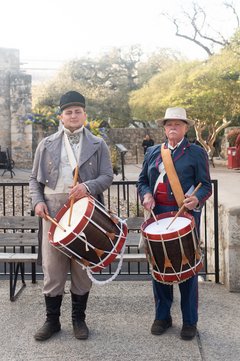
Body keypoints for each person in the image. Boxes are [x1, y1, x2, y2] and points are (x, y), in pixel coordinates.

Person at [29, 91, 113, 341]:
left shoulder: (99, 144)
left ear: (85, 115)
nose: (73, 115)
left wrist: (87, 187)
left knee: (80, 267)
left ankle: (79, 320)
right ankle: (52, 321)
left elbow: (107, 176)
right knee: (53, 269)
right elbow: (34, 179)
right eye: (69, 112)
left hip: (85, 209)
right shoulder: (46, 144)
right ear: (61, 117)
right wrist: (38, 202)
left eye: (78, 111)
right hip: (53, 210)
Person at [137, 107, 212, 340]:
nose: (173, 127)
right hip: (158, 216)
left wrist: (195, 199)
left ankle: (190, 321)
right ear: (164, 127)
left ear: (186, 128)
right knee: (160, 268)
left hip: (184, 216)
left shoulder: (196, 153)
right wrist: (146, 195)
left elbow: (206, 185)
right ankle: (162, 316)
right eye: (169, 124)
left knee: (187, 269)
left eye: (178, 124)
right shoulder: (152, 152)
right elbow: (142, 182)